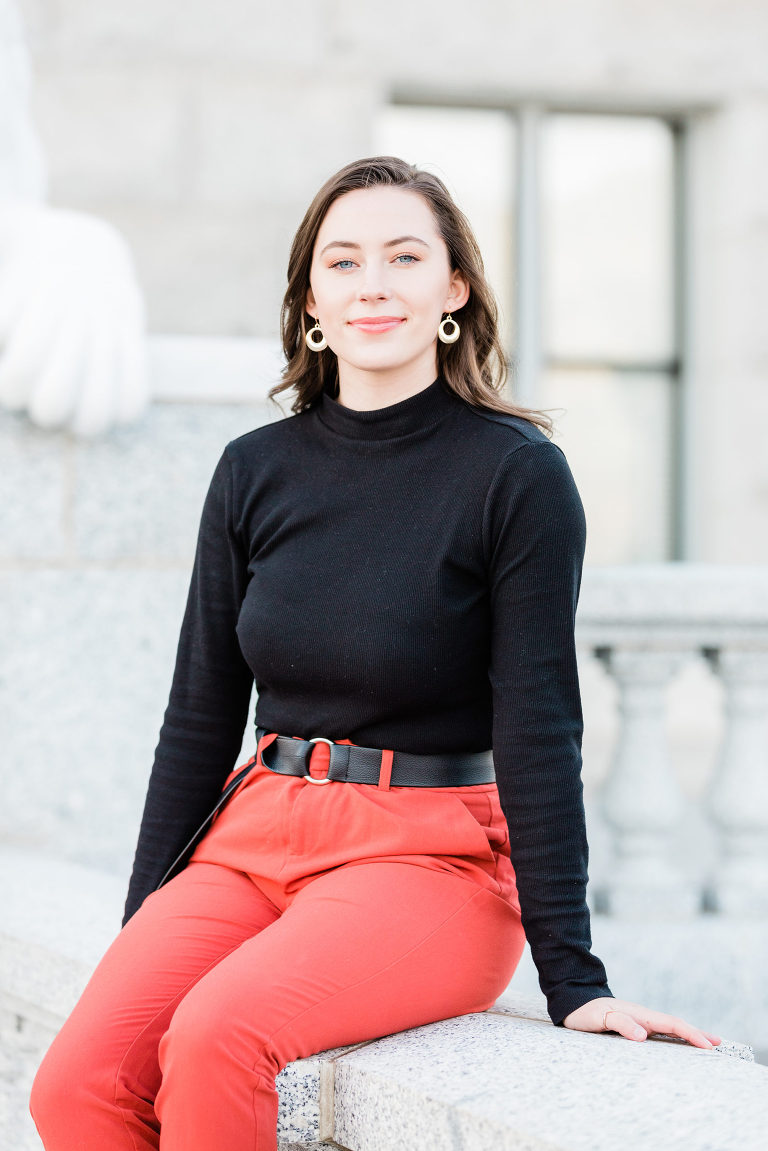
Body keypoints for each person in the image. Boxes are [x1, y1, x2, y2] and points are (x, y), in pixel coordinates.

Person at [30, 155, 720, 1151]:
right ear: (312, 298)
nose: (373, 284)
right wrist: (144, 929)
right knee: (78, 1081)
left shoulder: (516, 475)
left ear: (454, 291)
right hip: (254, 836)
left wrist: (577, 979)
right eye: (344, 261)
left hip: (429, 853)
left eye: (405, 256)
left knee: (223, 1036)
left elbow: (539, 724)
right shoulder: (253, 471)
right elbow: (198, 712)